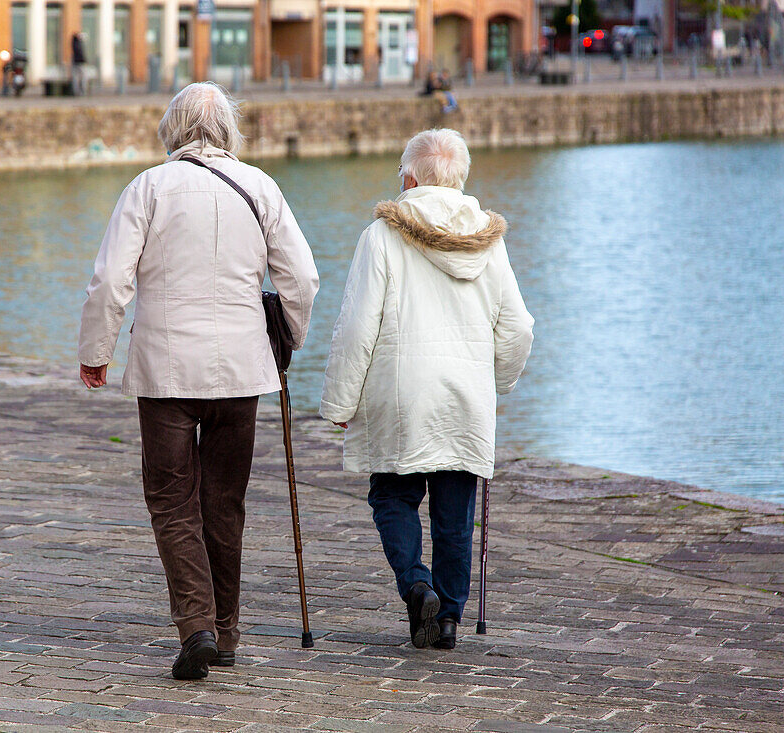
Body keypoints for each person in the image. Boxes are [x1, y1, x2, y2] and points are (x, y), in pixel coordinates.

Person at [78, 82, 319, 680]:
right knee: (224, 501)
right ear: (228, 129)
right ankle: (227, 631)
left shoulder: (148, 187)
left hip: (164, 371)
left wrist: (96, 352)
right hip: (240, 370)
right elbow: (304, 277)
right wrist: (288, 337)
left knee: (171, 500)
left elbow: (111, 281)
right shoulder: (261, 186)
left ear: (172, 129)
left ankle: (197, 627)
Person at [320, 129, 533, 651]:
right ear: (460, 178)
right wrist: (497, 381)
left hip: (400, 391)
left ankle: (417, 586)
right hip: (464, 392)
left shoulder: (383, 235)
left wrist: (339, 402)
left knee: (393, 494)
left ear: (411, 179)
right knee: (455, 510)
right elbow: (519, 328)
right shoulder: (489, 238)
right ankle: (449, 619)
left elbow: (356, 328)